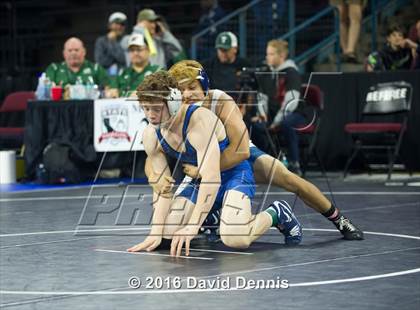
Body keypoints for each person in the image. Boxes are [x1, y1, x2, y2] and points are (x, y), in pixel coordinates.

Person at [163, 59, 363, 241]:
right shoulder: (174, 111)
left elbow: (241, 152)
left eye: (191, 87)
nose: (187, 95)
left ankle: (339, 220)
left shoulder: (220, 101)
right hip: (207, 167)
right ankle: (212, 217)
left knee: (290, 179)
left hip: (235, 158)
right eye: (181, 91)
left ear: (204, 86)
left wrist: (203, 171)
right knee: (168, 231)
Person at [127, 71, 302, 256]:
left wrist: (193, 226)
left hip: (232, 174)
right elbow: (163, 188)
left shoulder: (199, 121)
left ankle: (277, 213)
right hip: (199, 180)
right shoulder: (151, 134)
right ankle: (213, 214)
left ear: (173, 103)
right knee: (168, 233)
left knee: (236, 238)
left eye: (156, 109)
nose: (150, 115)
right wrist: (155, 233)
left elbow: (211, 178)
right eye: (145, 108)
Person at [256, 39, 305, 175]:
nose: (267, 57)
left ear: (282, 56)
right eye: (267, 54)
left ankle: (294, 163)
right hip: (274, 115)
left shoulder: (291, 73)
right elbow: (262, 99)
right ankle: (263, 164)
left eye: (271, 54)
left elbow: (291, 103)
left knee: (287, 123)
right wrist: (262, 115)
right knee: (257, 126)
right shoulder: (267, 74)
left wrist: (276, 122)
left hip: (295, 114)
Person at [107, 33, 160, 98]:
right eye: (132, 50)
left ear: (148, 50)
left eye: (139, 49)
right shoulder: (122, 73)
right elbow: (112, 92)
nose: (135, 53)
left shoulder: (157, 72)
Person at [45, 37, 109, 89]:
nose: (73, 53)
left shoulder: (96, 69)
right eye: (70, 50)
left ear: (84, 52)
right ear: (64, 53)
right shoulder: (54, 69)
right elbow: (45, 91)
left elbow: (108, 88)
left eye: (76, 50)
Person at [94, 12, 128, 77]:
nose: (119, 27)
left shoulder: (127, 40)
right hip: (105, 77)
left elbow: (124, 60)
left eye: (122, 24)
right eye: (116, 23)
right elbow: (100, 62)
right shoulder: (101, 41)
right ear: (109, 25)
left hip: (123, 78)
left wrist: (113, 42)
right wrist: (115, 59)